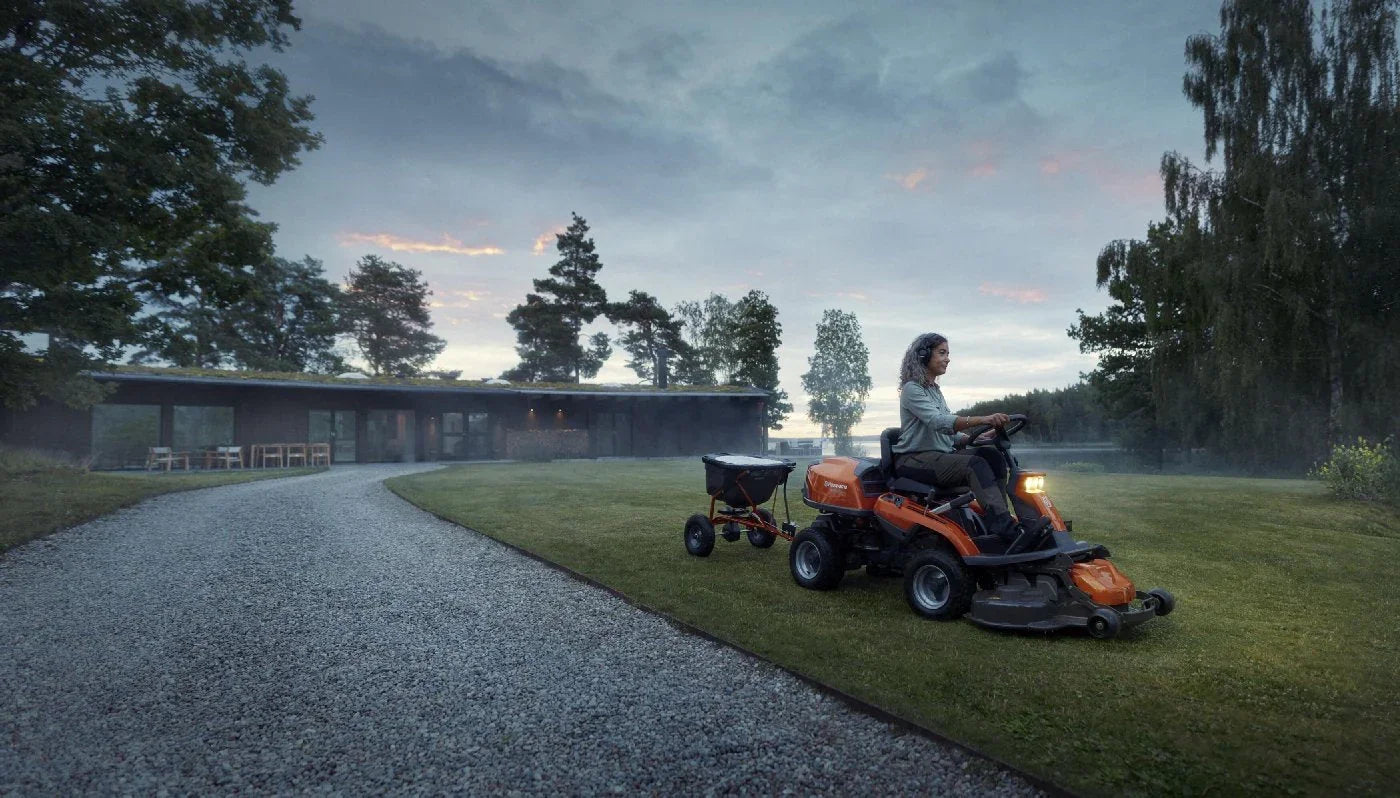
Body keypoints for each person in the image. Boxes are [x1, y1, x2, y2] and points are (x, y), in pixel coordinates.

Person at [891, 332, 1047, 546]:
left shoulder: (935, 391)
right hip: (914, 459)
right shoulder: (912, 389)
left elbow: (949, 434)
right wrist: (983, 418)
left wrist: (979, 436)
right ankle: (1004, 527)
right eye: (942, 353)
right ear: (924, 355)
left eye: (948, 354)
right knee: (974, 464)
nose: (947, 358)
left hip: (939, 456)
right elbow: (939, 422)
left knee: (993, 457)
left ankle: (1002, 519)